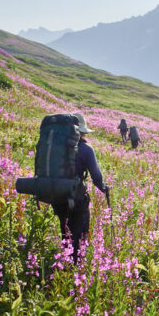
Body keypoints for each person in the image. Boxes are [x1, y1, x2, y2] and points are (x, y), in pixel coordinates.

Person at [51, 112, 108, 265]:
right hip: (77, 200)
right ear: (81, 131)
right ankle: (76, 269)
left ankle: (66, 262)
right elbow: (96, 177)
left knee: (66, 232)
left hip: (58, 198)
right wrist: (104, 188)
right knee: (80, 236)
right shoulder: (86, 149)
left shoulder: (55, 146)